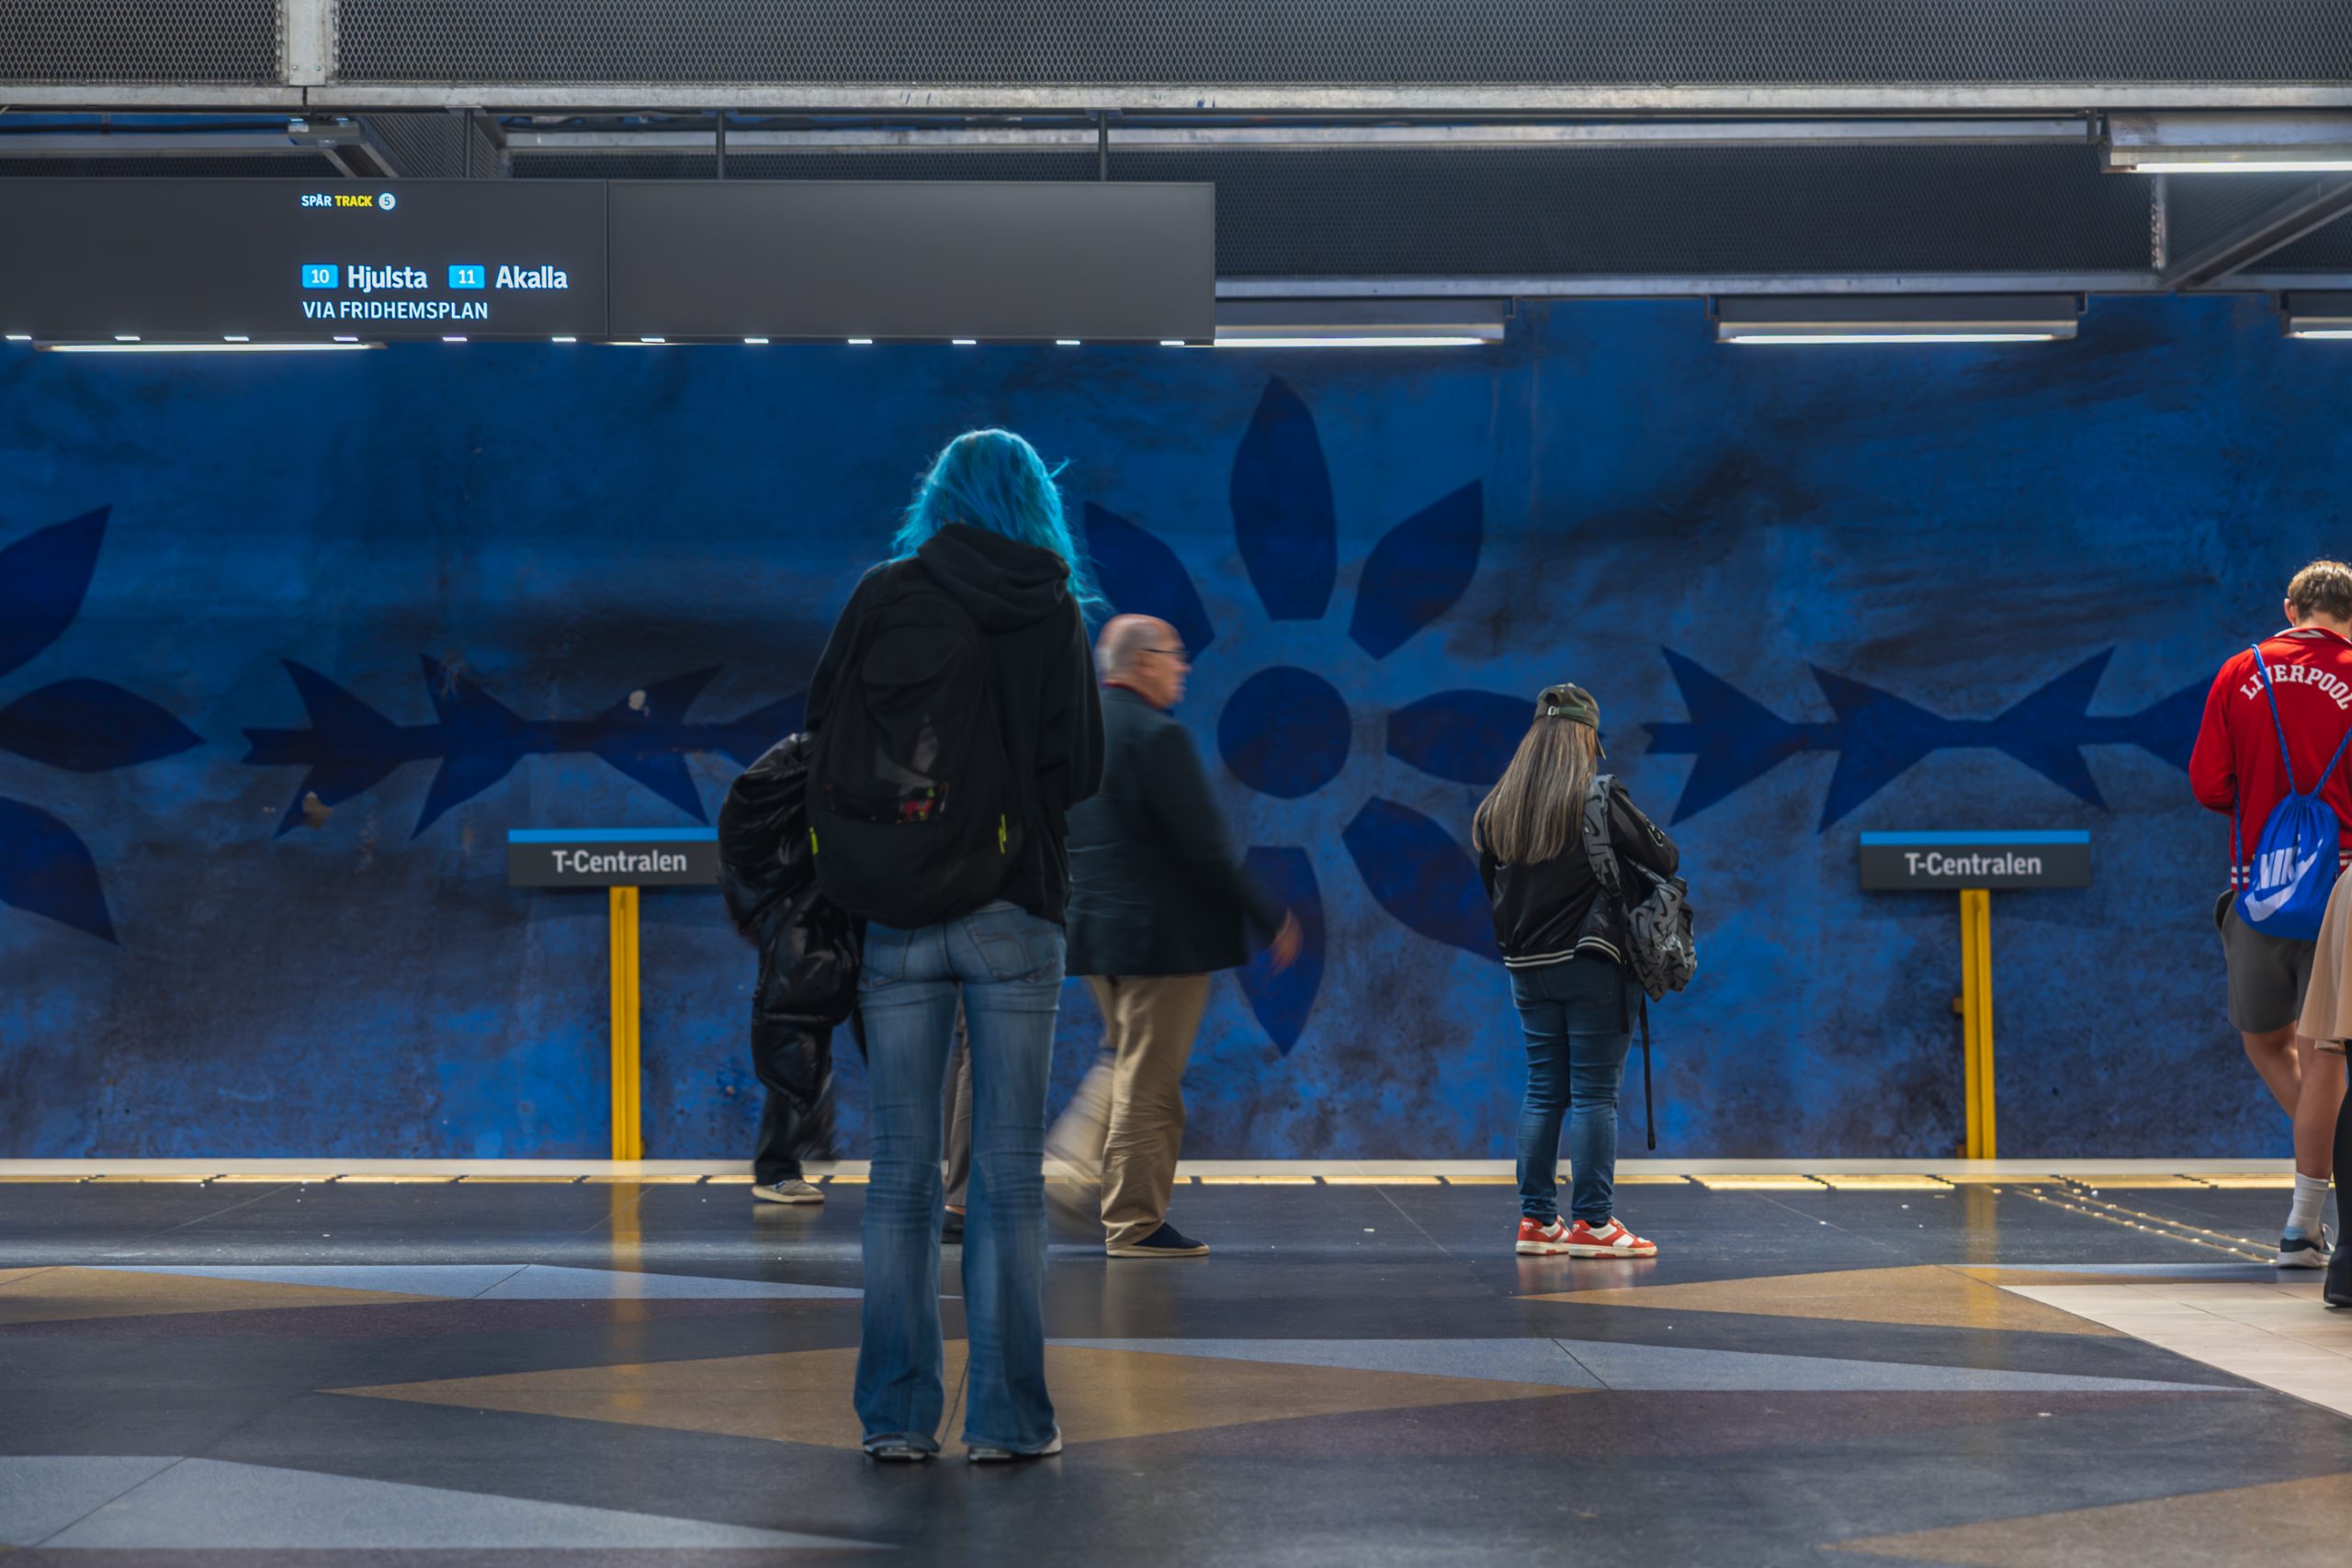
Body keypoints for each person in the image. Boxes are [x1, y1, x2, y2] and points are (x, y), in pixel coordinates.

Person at [807, 429, 1102, 1462]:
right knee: (1010, 1178)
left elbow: (821, 728)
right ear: (1034, 504)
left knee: (899, 1176)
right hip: (1016, 912)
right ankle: (1009, 1421)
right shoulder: (1053, 607)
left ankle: (895, 1418)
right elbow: (1082, 767)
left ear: (937, 497)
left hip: (896, 913)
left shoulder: (885, 594)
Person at [1052, 616, 1302, 1258]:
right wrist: (1271, 915)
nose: (1183, 667)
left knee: (1121, 1058)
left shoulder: (1077, 733)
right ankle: (1134, 1221)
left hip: (1095, 933)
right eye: (1174, 656)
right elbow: (1206, 849)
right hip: (1163, 941)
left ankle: (1071, 1159)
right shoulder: (1158, 737)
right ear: (1139, 662)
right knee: (1151, 1082)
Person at [1475, 682, 1677, 1259]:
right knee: (1594, 1095)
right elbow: (1665, 857)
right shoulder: (1599, 796)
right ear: (1588, 737)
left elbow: (1491, 887)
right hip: (1592, 964)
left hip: (1525, 967)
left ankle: (1538, 1222)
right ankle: (1594, 1223)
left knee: (1543, 1090)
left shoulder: (1496, 807)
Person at [2190, 561, 2352, 1267]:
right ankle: (2304, 1223)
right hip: (2345, 891)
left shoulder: (2240, 670)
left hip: (2260, 886)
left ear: (2291, 607)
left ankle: (2306, 1222)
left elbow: (2209, 783)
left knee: (2265, 1039)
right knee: (2328, 1054)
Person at [715, 731, 854, 1205]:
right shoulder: (817, 756)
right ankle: (779, 1163)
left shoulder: (818, 755)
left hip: (837, 911)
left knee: (806, 1029)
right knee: (799, 1029)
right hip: (823, 914)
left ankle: (784, 1160)